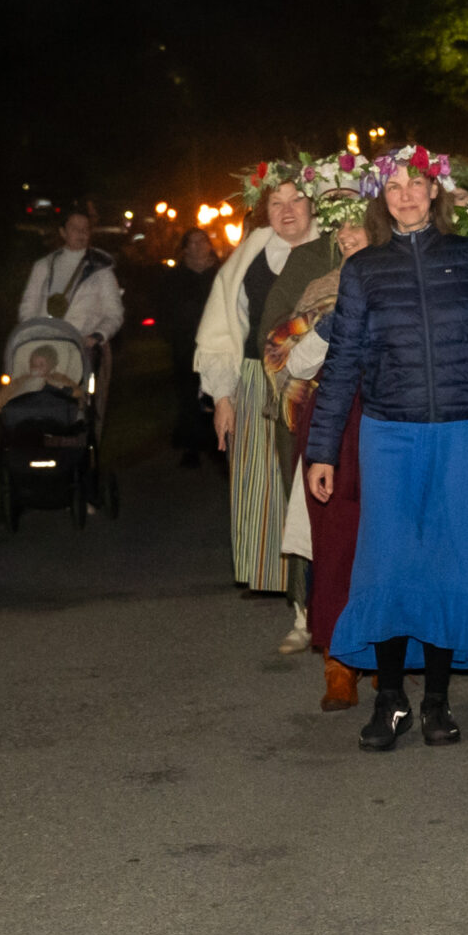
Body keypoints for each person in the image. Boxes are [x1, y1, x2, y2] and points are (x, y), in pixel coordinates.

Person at [307, 152, 468, 751]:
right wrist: (322, 450)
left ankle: (437, 701)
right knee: (386, 563)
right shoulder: (365, 269)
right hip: (389, 432)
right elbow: (342, 361)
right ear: (381, 198)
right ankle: (389, 698)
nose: (406, 194)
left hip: (465, 430)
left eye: (416, 183)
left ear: (434, 191)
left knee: (452, 561)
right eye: (393, 186)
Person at [194, 184, 325, 632]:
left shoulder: (333, 247)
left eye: (296, 200)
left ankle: (319, 597)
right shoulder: (250, 253)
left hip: (315, 383)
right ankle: (295, 599)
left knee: (307, 486)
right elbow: (223, 328)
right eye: (276, 203)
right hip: (255, 381)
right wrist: (222, 397)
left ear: (313, 204)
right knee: (264, 489)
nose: (287, 210)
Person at [275, 217, 377, 710]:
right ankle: (340, 664)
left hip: (389, 421)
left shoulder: (404, 282)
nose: (346, 236)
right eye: (340, 229)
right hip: (337, 425)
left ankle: (385, 655)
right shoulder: (322, 289)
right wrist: (336, 322)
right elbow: (295, 364)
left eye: (358, 226)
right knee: (335, 544)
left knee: (385, 543)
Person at [17, 208, 125, 418]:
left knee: (79, 409)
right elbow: (28, 306)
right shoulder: (43, 266)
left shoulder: (100, 271)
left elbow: (114, 313)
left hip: (82, 349)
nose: (81, 233)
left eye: (85, 229)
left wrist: (98, 335)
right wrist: (33, 333)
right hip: (45, 348)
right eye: (75, 228)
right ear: (63, 232)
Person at [165, 229, 222, 466]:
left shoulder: (220, 273)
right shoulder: (176, 277)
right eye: (193, 243)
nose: (198, 247)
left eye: (202, 241)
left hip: (217, 344)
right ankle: (192, 445)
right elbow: (167, 310)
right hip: (187, 345)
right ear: (185, 248)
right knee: (189, 394)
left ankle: (218, 442)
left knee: (217, 392)